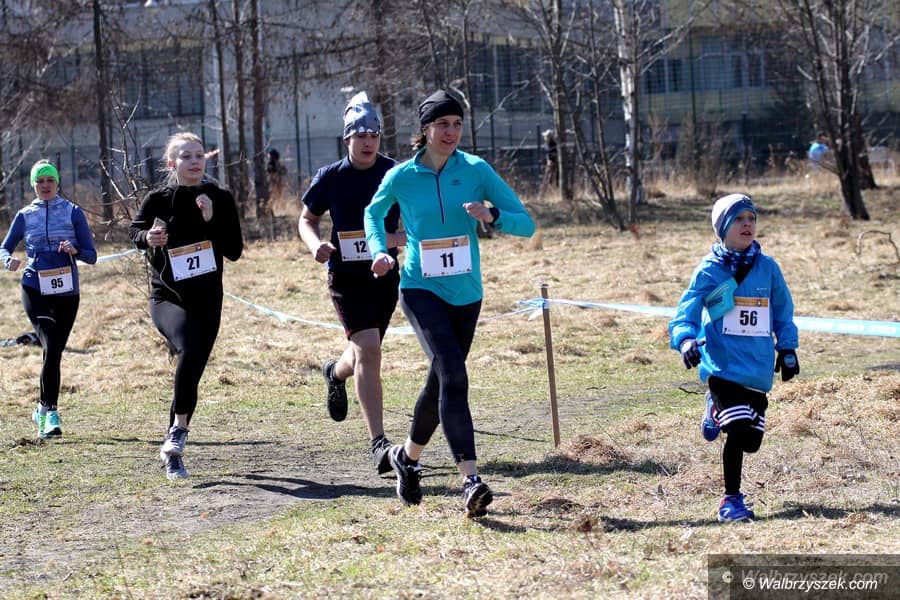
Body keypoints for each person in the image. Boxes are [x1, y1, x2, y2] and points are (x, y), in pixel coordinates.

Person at [365, 90, 535, 517]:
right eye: (443, 124)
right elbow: (373, 213)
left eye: (457, 124)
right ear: (425, 130)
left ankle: (407, 458)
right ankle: (470, 480)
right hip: (420, 289)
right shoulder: (402, 176)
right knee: (454, 374)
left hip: (467, 294)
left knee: (441, 381)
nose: (451, 132)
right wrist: (379, 251)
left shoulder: (476, 170)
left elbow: (526, 224)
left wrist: (492, 216)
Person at [669, 193, 799, 523]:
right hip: (721, 367)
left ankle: (714, 410)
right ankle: (731, 501)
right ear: (723, 227)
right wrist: (685, 340)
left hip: (756, 369)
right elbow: (686, 312)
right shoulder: (709, 270)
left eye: (751, 218)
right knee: (739, 431)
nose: (747, 224)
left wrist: (787, 349)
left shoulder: (768, 269)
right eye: (739, 219)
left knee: (752, 442)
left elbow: (783, 312)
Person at [298, 91, 405, 474]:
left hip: (384, 276)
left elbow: (415, 220)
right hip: (346, 278)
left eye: (373, 135)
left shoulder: (395, 174)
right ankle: (379, 443)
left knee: (363, 352)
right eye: (360, 135)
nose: (368, 142)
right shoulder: (331, 177)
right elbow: (306, 219)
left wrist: (393, 240)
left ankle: (334, 372)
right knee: (370, 349)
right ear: (347, 139)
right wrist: (315, 245)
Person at [128, 132, 243, 480]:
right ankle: (179, 430)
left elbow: (234, 251)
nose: (194, 161)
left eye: (198, 155)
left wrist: (211, 220)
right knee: (189, 349)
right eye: (186, 156)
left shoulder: (220, 197)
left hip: (208, 298)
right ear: (171, 163)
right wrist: (148, 238)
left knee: (191, 369)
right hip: (168, 296)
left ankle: (173, 448)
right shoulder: (159, 199)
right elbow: (134, 233)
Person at [1, 160, 97, 438]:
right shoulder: (24, 215)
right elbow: (4, 248)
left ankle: (41, 409)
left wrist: (74, 250)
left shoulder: (72, 212)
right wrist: (7, 260)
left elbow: (91, 255)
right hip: (35, 289)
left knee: (52, 352)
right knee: (52, 346)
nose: (45, 185)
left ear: (57, 182)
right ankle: (51, 414)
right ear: (33, 185)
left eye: (50, 180)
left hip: (67, 292)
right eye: (40, 181)